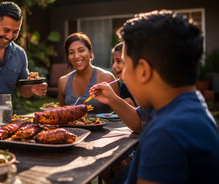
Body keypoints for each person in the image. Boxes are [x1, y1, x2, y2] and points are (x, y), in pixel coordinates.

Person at [90, 10, 219, 183]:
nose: (123, 75)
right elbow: (138, 122)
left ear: (144, 70)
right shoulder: (183, 104)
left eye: (125, 65)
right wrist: (113, 99)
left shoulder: (166, 133)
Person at [57, 32, 118, 113]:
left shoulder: (106, 78)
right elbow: (59, 113)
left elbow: (118, 114)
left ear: (90, 52)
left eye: (81, 50)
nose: (76, 56)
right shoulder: (63, 81)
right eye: (71, 53)